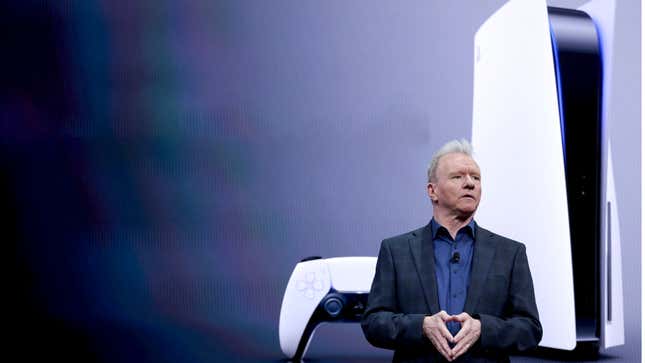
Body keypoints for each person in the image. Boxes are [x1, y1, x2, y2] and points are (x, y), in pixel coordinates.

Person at [361, 139, 542, 362]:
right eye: (458, 177)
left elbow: (530, 329)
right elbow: (374, 322)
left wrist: (483, 328)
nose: (470, 184)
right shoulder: (396, 250)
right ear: (432, 190)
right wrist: (421, 326)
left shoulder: (510, 252)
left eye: (476, 177)